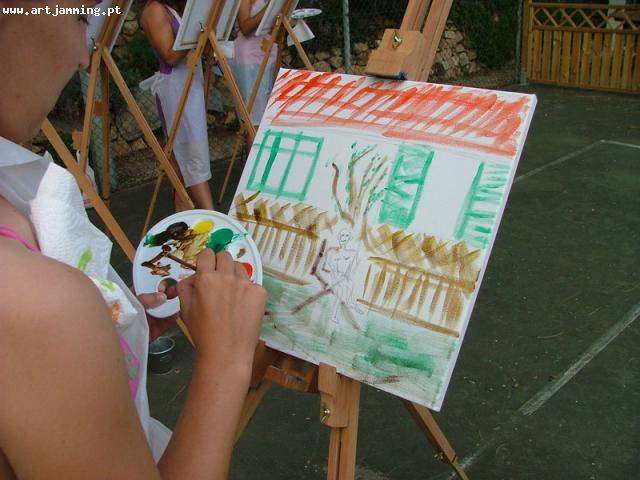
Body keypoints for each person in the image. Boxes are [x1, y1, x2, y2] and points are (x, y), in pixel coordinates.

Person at [0, 1, 267, 478]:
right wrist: (226, 361)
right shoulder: (35, 303)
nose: (84, 56)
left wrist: (106, 340)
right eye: (79, 18)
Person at [140, 0, 214, 211]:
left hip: (188, 85)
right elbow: (170, 56)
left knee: (185, 155)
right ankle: (210, 213)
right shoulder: (154, 9)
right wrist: (197, 34)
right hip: (174, 88)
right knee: (191, 151)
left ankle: (183, 212)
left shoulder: (169, 9)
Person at [230, 0, 279, 127]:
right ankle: (253, 139)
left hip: (268, 51)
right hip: (249, 57)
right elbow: (245, 27)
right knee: (254, 114)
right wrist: (271, 7)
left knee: (270, 110)